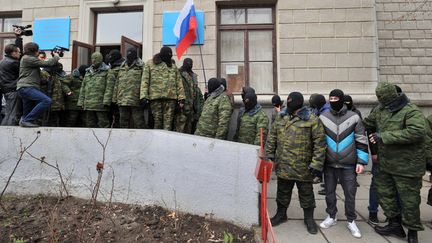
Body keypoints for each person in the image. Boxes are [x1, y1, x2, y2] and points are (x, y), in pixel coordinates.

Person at [363, 82, 426, 243]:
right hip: (386, 164)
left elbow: (417, 132)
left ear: (392, 96)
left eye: (383, 98)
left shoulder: (410, 110)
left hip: (407, 166)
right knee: (385, 195)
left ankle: (413, 232)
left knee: (409, 201)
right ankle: (394, 224)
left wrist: (384, 136)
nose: (380, 101)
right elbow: (368, 123)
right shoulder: (380, 109)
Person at [266, 92, 326, 234]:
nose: (288, 104)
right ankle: (281, 215)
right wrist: (269, 155)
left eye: (291, 101)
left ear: (298, 103)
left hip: (303, 167)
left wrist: (316, 164)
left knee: (306, 194)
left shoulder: (312, 119)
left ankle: (309, 219)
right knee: (282, 192)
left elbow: (320, 144)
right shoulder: (282, 117)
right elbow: (272, 136)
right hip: (284, 164)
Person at [318, 89, 368, 239]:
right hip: (329, 163)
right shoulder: (322, 117)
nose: (333, 100)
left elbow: (361, 139)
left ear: (341, 99)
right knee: (329, 193)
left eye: (336, 98)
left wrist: (361, 161)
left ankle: (351, 220)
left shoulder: (354, 117)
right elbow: (318, 140)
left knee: (350, 194)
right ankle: (331, 216)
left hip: (348, 164)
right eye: (330, 98)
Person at [140, 46, 185, 130]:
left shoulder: (173, 66)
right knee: (157, 123)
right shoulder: (150, 64)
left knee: (168, 125)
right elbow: (145, 80)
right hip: (155, 98)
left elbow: (179, 82)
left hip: (170, 98)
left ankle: (166, 142)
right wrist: (143, 96)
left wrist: (181, 98)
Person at [16, 42, 60, 127]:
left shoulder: (29, 59)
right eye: (38, 50)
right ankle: (27, 120)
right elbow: (47, 64)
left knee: (27, 109)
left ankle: (24, 120)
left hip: (26, 87)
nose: (39, 52)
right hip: (27, 87)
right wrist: (56, 57)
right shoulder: (28, 58)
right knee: (46, 100)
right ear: (34, 51)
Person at [77, 52, 115, 128]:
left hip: (101, 105)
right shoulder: (88, 72)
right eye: (93, 59)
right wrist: (81, 101)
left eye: (96, 59)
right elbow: (83, 87)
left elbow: (109, 87)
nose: (94, 61)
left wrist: (106, 101)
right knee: (89, 125)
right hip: (88, 104)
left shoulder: (108, 71)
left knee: (103, 124)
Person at [114, 47, 145, 129]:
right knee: (123, 123)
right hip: (122, 99)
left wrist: (144, 97)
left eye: (131, 54)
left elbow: (145, 82)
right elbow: (117, 82)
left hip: (135, 99)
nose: (129, 56)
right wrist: (114, 98)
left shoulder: (141, 66)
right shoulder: (122, 66)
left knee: (139, 122)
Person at [0, 43, 22, 125]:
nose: (20, 54)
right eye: (19, 52)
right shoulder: (14, 63)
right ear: (13, 53)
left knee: (8, 114)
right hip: (13, 91)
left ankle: (3, 133)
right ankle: (9, 135)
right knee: (13, 114)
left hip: (6, 91)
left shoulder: (2, 61)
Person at [176, 58, 196, 133]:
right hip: (182, 105)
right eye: (188, 63)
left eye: (191, 63)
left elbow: (195, 91)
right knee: (180, 128)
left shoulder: (193, 75)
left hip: (191, 107)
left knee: (189, 129)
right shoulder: (179, 73)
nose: (190, 64)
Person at [106, 49, 124, 128]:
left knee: (116, 119)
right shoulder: (122, 67)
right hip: (119, 98)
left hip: (115, 98)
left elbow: (110, 86)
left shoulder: (116, 69)